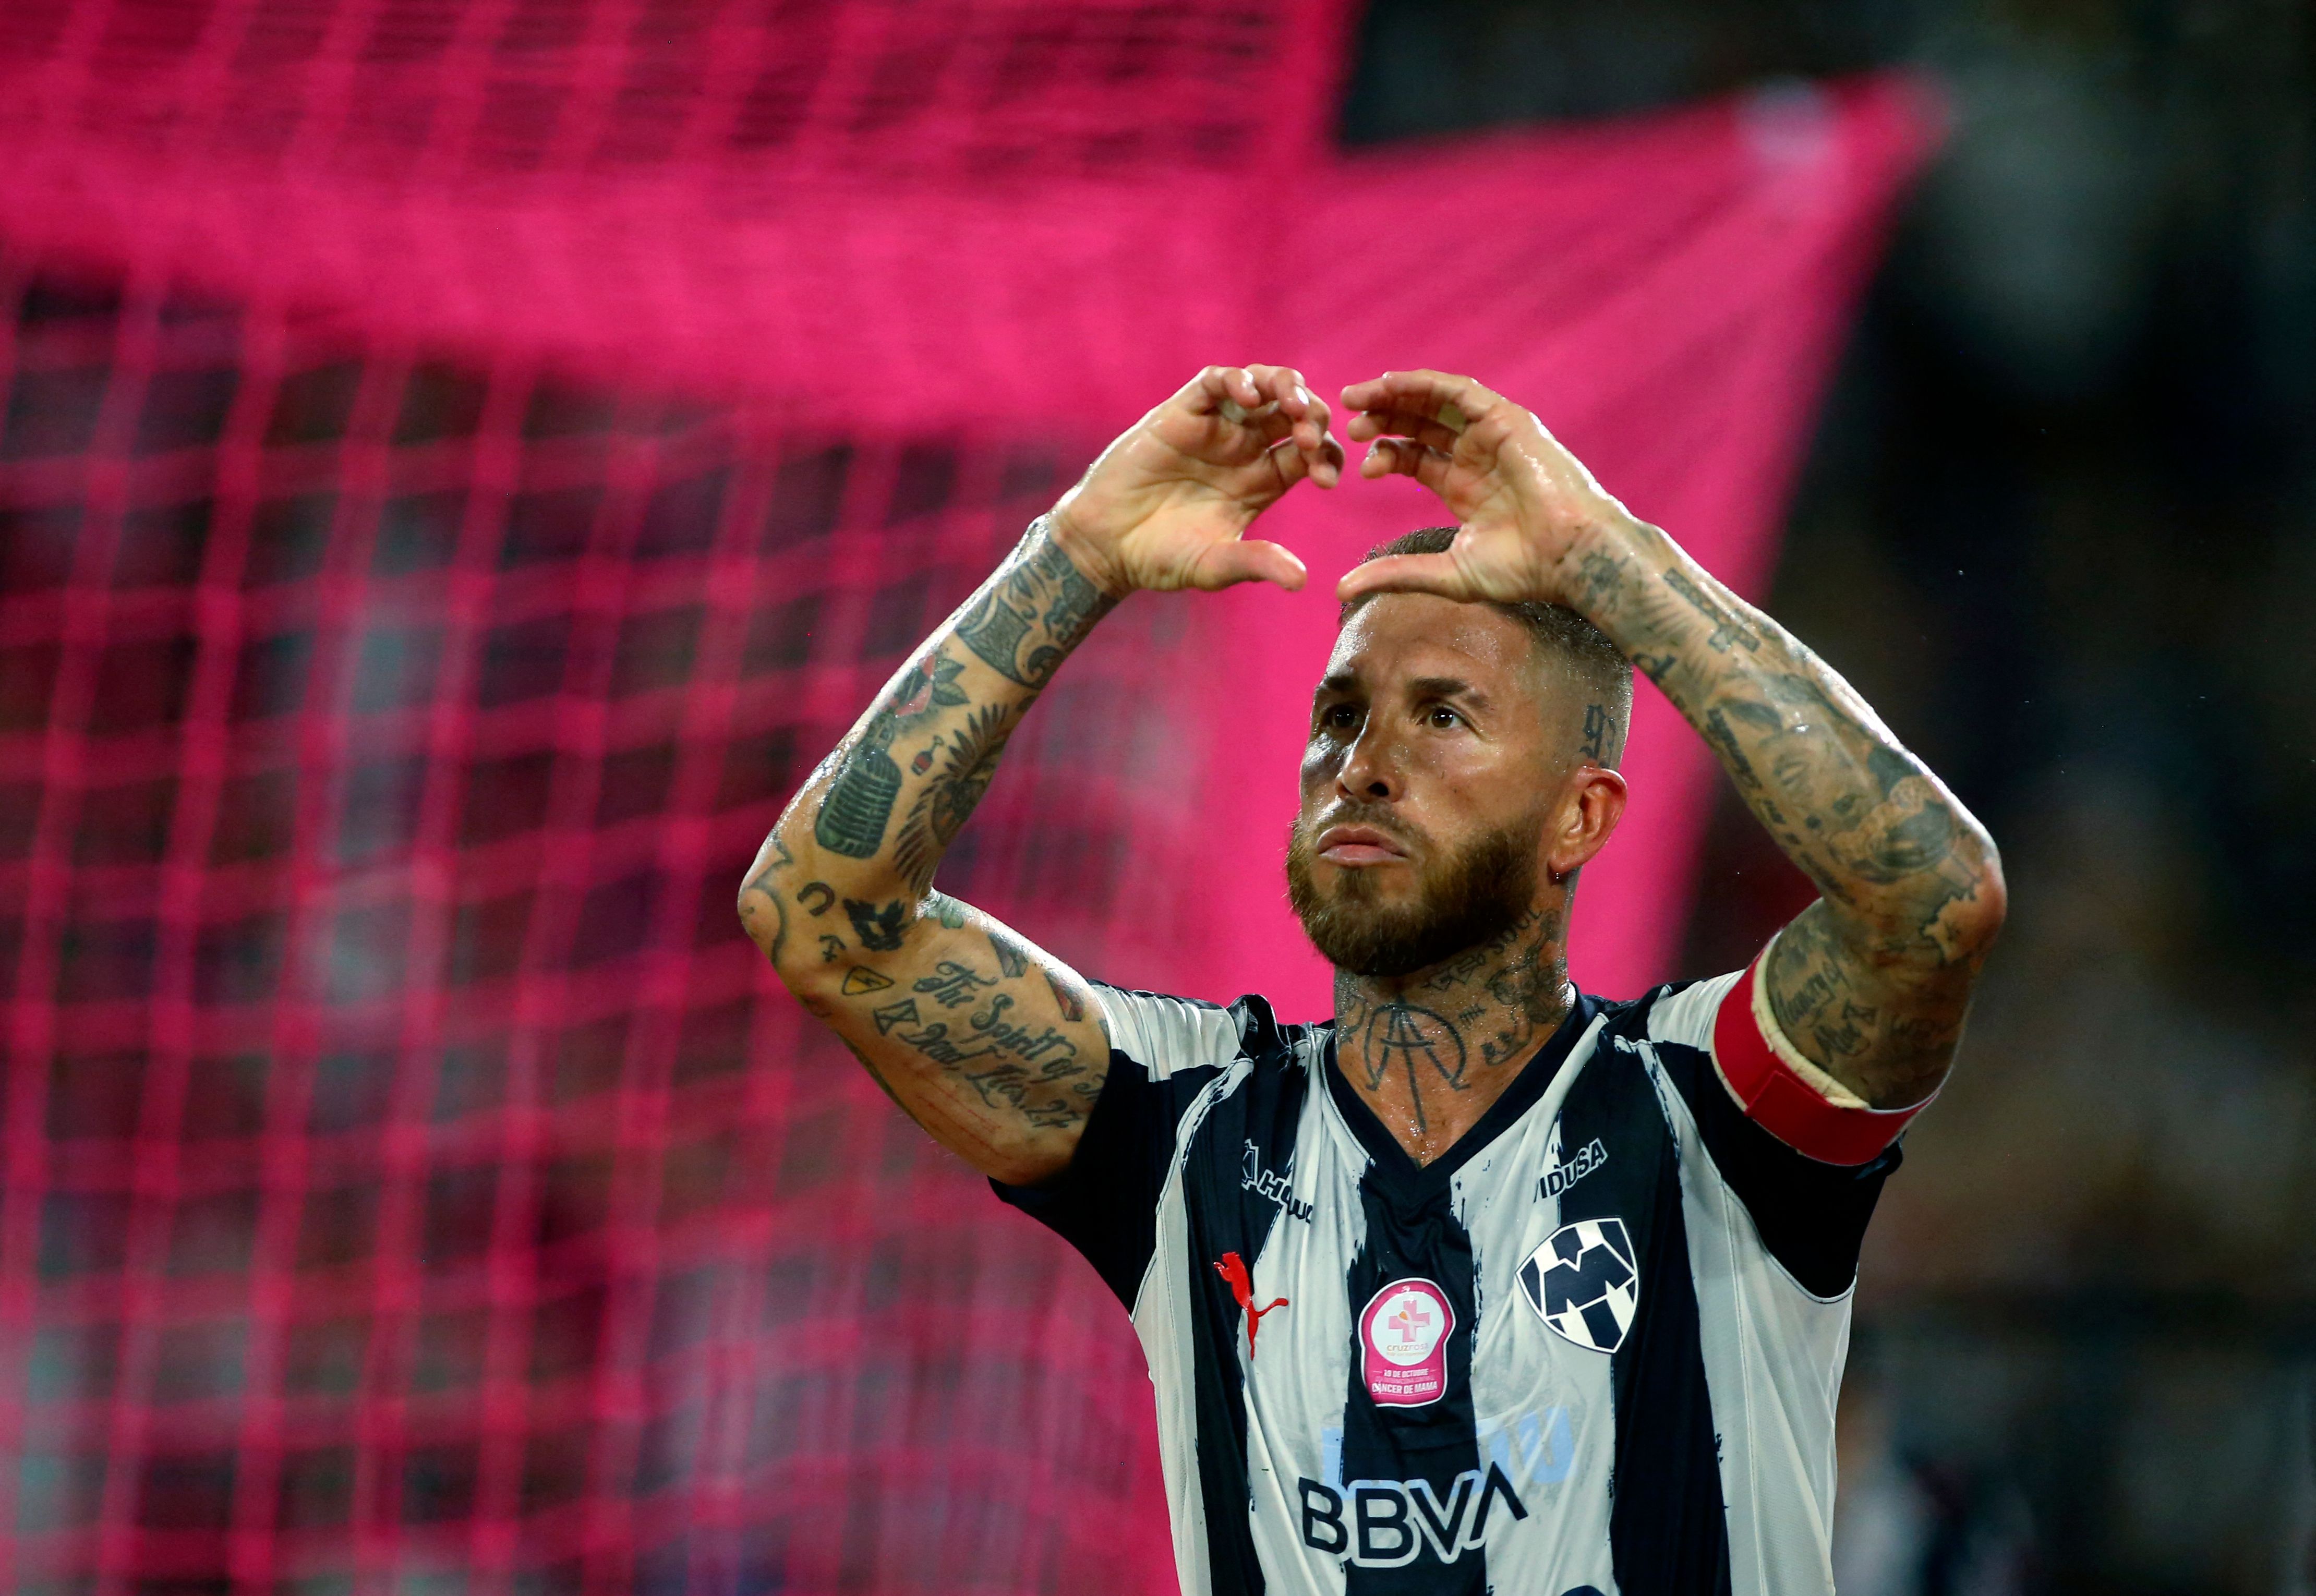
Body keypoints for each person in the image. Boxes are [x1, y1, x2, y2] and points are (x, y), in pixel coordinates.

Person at [739, 365, 2005, 1596]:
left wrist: (1605, 559)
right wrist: (1072, 555)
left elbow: (1932, 903)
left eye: (1444, 717)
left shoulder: (1705, 1109)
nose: (1364, 764)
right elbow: (821, 917)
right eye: (1340, 716)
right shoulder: (1186, 1128)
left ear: (1579, 818)